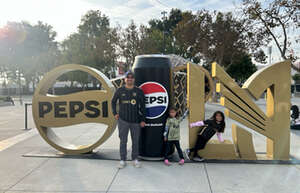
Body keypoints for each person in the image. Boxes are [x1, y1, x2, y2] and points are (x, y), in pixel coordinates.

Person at [111, 71, 146, 169]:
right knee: (123, 141)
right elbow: (113, 102)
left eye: (131, 77)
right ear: (125, 79)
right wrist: (115, 113)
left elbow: (143, 106)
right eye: (128, 77)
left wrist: (143, 119)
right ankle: (122, 160)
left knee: (135, 141)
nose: (130, 79)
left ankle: (135, 159)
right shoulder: (120, 90)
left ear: (134, 79)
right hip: (123, 120)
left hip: (136, 120)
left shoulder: (139, 91)